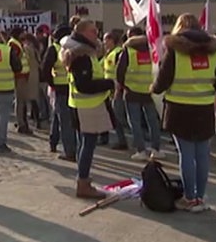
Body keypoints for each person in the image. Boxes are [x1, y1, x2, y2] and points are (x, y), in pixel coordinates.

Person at [151, 13, 216, 212]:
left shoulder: (174, 50)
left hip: (179, 109)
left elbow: (162, 81)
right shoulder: (213, 51)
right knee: (202, 154)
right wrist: (214, 83)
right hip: (204, 108)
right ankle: (200, 197)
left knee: (186, 154)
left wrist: (153, 88)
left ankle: (189, 198)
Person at [62, 19, 115, 199]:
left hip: (83, 105)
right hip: (87, 106)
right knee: (88, 144)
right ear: (83, 33)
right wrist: (109, 83)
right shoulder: (81, 55)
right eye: (93, 31)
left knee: (85, 144)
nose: (97, 34)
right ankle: (83, 183)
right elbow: (84, 85)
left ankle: (83, 179)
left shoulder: (86, 52)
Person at [116, 27, 163, 161]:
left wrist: (123, 86)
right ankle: (156, 149)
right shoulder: (152, 49)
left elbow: (120, 72)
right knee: (153, 121)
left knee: (135, 122)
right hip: (150, 91)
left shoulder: (128, 51)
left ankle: (141, 150)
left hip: (132, 91)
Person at [43, 24, 77, 161]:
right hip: (71, 87)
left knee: (64, 121)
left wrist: (52, 83)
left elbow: (45, 68)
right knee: (59, 117)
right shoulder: (75, 48)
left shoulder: (54, 49)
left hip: (60, 88)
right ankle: (53, 141)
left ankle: (70, 152)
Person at [101, 30, 128, 150]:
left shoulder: (118, 53)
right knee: (114, 116)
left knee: (118, 116)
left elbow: (120, 72)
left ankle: (122, 141)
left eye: (106, 39)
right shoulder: (108, 54)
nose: (104, 42)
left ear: (113, 40)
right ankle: (120, 140)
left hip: (116, 89)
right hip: (109, 90)